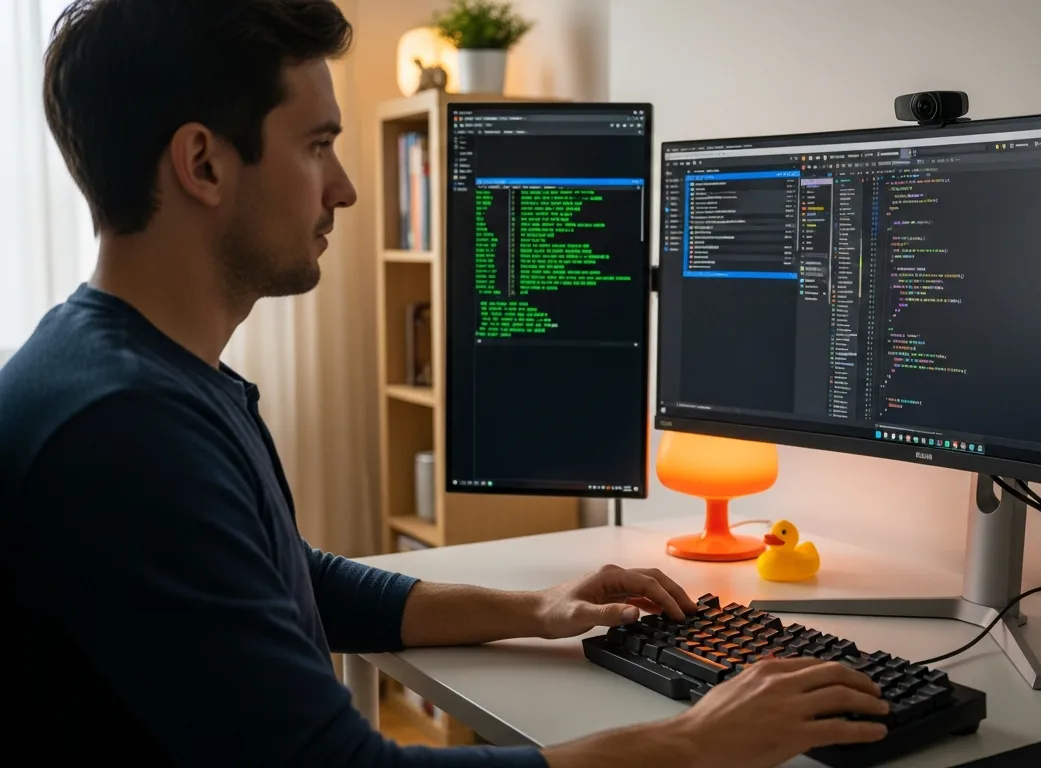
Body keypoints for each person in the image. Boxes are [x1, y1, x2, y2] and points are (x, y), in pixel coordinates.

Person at [0, 1, 890, 765]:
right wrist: (692, 747)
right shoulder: (125, 430)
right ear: (203, 164)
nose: (345, 190)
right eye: (317, 146)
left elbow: (285, 579)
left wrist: (539, 608)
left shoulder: (124, 372)